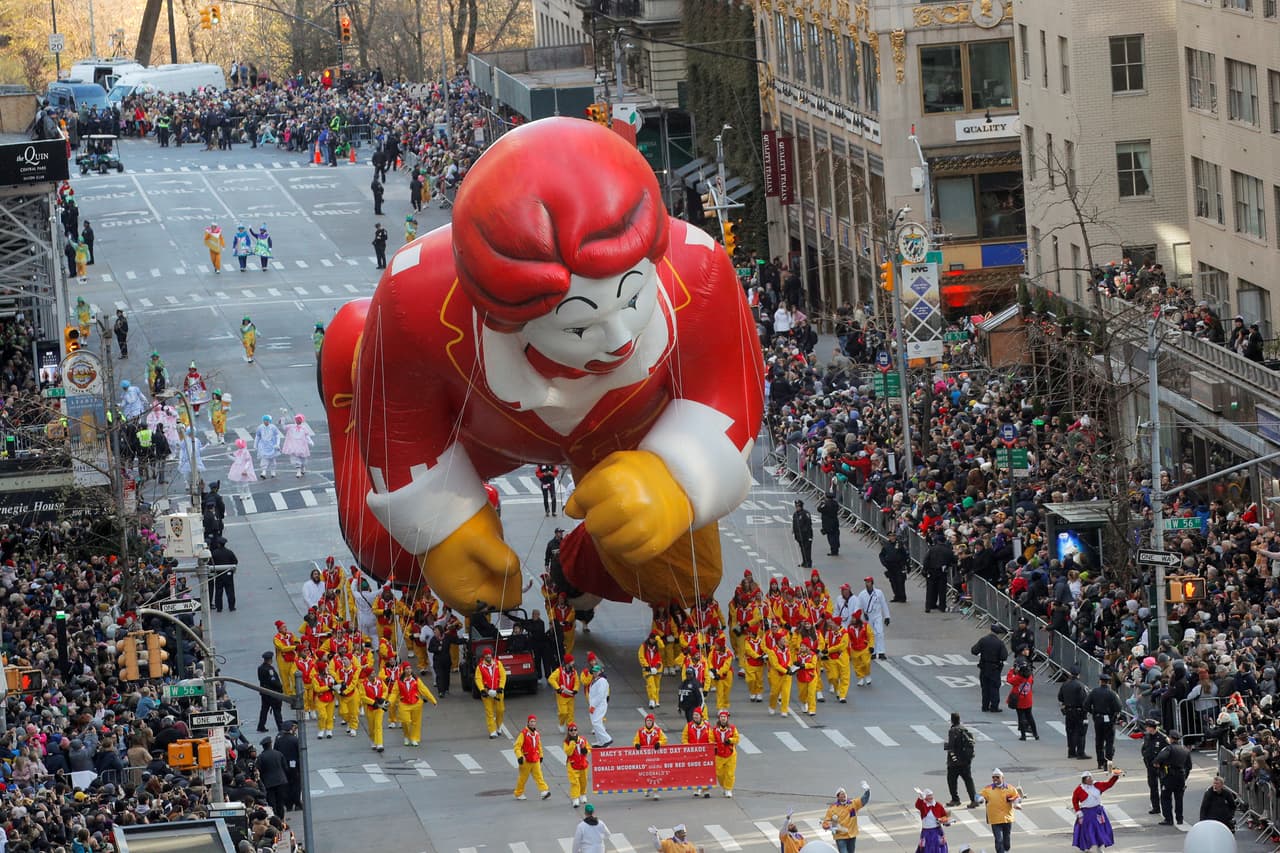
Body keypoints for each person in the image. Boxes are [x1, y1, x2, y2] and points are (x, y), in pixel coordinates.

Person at [1071, 768, 1122, 851]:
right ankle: (1087, 847)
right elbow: (1075, 801)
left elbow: (1109, 784)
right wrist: (1079, 813)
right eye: (1088, 779)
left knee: (1100, 830)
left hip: (1098, 812)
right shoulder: (1079, 789)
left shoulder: (1097, 785)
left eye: (1091, 778)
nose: (1091, 780)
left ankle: (1099, 847)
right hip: (1087, 813)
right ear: (1084, 780)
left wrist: (1115, 776)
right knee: (1087, 831)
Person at [390, 665, 438, 747]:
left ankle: (414, 738)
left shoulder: (416, 680)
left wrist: (433, 700)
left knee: (416, 722)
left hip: (416, 703)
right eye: (407, 669)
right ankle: (406, 736)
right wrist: (389, 702)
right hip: (404, 704)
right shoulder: (399, 682)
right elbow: (394, 693)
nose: (409, 670)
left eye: (410, 668)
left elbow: (424, 690)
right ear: (404, 670)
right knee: (405, 721)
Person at [977, 768, 1021, 853]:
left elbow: (1017, 797)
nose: (995, 779)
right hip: (995, 819)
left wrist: (1017, 803)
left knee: (1006, 840)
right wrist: (980, 798)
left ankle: (1006, 850)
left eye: (997, 777)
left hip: (1007, 818)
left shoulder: (1010, 788)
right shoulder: (988, 789)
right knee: (998, 839)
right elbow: (978, 795)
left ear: (1002, 778)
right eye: (993, 777)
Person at [1085, 672, 1122, 771]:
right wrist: (1113, 713)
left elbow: (1086, 704)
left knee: (1099, 741)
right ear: (1108, 682)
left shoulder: (1094, 692)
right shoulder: (1112, 693)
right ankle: (1108, 763)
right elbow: (1118, 707)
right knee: (1109, 742)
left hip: (1098, 718)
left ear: (1100, 681)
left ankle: (1100, 762)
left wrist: (1093, 712)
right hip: (1109, 719)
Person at [1155, 729, 1191, 826]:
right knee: (1179, 798)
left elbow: (1160, 758)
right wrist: (1185, 777)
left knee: (1165, 797)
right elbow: (1189, 766)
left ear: (1170, 738)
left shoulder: (1169, 749)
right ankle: (1179, 818)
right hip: (1181, 776)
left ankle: (1168, 819)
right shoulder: (1185, 750)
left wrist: (1156, 763)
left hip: (1169, 776)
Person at [822, 782, 872, 853]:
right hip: (840, 836)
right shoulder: (832, 809)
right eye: (842, 794)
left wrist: (868, 791)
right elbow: (826, 821)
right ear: (838, 797)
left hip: (852, 835)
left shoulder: (853, 804)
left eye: (845, 793)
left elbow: (863, 800)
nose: (844, 795)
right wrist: (826, 825)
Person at [513, 714, 552, 800]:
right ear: (528, 722)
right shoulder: (523, 734)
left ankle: (544, 791)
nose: (533, 723)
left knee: (539, 776)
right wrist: (519, 756)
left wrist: (541, 755)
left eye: (534, 721)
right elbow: (517, 746)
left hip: (535, 759)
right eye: (531, 721)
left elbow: (539, 746)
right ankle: (518, 793)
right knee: (523, 778)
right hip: (526, 760)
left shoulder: (537, 734)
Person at [944, 711, 978, 808]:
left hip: (954, 762)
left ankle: (955, 799)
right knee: (968, 780)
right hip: (966, 761)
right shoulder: (964, 729)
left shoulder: (953, 731)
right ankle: (973, 800)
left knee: (951, 780)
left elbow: (951, 746)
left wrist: (947, 746)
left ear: (951, 720)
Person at [972, 623, 1008, 713]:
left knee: (985, 687)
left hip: (984, 667)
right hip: (994, 668)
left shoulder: (983, 640)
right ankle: (994, 706)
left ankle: (985, 706)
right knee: (994, 687)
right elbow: (1004, 656)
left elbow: (974, 650)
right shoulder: (999, 643)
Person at [853, 576, 890, 659]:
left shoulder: (879, 593)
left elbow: (883, 604)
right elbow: (858, 606)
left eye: (868, 582)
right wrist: (856, 616)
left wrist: (887, 616)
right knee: (870, 634)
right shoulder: (862, 594)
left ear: (872, 583)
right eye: (866, 582)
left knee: (879, 632)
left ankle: (881, 651)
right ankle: (872, 651)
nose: (867, 584)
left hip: (877, 615)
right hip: (868, 616)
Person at [1059, 666, 1090, 760]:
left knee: (1070, 731)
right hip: (1079, 711)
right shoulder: (1080, 685)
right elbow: (1084, 700)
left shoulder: (1065, 684)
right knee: (1081, 732)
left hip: (1068, 711)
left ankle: (1071, 751)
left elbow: (1060, 697)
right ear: (1078, 675)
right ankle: (1080, 752)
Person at [475, 646, 507, 738]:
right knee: (489, 712)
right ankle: (492, 730)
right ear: (484, 656)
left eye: (489, 654)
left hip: (498, 692)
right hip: (487, 693)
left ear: (491, 654)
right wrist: (481, 690)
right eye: (486, 654)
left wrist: (501, 687)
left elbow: (503, 676)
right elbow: (478, 679)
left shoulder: (498, 664)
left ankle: (499, 725)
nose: (488, 656)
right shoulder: (480, 667)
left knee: (500, 710)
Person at [681, 707, 713, 798]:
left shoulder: (707, 726)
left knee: (705, 771)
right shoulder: (689, 725)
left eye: (697, 715)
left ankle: (706, 790)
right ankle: (696, 789)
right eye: (694, 715)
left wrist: (710, 748)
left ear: (701, 716)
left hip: (704, 754)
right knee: (694, 772)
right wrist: (687, 746)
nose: (695, 717)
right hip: (693, 753)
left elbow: (711, 739)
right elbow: (684, 737)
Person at [633, 713, 666, 800]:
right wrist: (637, 745)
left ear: (653, 722)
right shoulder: (640, 731)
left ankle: (656, 792)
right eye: (647, 721)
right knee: (645, 773)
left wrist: (659, 743)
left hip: (655, 756)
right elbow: (636, 740)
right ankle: (646, 788)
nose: (648, 722)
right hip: (644, 756)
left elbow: (664, 740)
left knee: (655, 774)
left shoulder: (658, 731)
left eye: (650, 721)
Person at [255, 737, 289, 818]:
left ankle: (275, 818)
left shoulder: (261, 757)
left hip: (268, 783)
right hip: (281, 781)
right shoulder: (279, 754)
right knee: (280, 802)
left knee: (271, 802)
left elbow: (258, 770)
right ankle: (281, 818)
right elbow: (285, 767)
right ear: (271, 744)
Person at [274, 721, 302, 811]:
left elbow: (276, 752)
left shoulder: (278, 739)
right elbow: (300, 754)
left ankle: (288, 804)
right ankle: (297, 802)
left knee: (286, 785)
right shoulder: (295, 739)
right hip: (294, 766)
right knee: (296, 784)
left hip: (283, 766)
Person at [1006, 660, 1038, 740]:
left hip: (1019, 701)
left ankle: (1023, 736)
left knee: (1021, 718)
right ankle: (1035, 734)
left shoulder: (1018, 678)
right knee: (1030, 717)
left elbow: (1009, 680)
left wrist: (1011, 671)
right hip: (1028, 700)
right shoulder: (1030, 677)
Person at [912, 788, 951, 853]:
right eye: (928, 795)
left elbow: (944, 816)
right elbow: (918, 805)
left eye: (931, 795)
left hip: (937, 831)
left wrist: (945, 821)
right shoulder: (923, 805)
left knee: (938, 847)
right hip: (926, 832)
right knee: (926, 847)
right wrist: (921, 797)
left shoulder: (938, 805)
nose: (930, 797)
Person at [548, 653, 579, 732]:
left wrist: (575, 689)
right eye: (572, 661)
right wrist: (558, 688)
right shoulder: (559, 671)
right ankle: (561, 723)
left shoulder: (574, 672)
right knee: (563, 712)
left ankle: (570, 727)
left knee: (571, 713)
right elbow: (551, 679)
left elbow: (577, 682)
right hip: (562, 696)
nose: (573, 663)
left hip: (571, 696)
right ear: (568, 663)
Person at [362, 666, 390, 752]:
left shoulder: (380, 681)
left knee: (378, 725)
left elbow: (386, 690)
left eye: (374, 672)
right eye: (372, 673)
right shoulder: (363, 684)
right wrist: (373, 702)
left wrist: (382, 698)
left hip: (379, 708)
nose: (374, 674)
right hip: (370, 708)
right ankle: (373, 740)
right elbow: (362, 696)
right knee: (371, 726)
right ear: (368, 675)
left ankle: (380, 743)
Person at [711, 709, 739, 797]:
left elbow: (737, 738)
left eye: (724, 717)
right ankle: (724, 786)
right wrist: (714, 747)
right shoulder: (714, 729)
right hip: (718, 755)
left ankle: (728, 789)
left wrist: (730, 740)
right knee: (719, 773)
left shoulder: (732, 728)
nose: (723, 719)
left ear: (727, 718)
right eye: (721, 717)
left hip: (730, 754)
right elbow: (710, 740)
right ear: (719, 718)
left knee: (730, 774)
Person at [1140, 719, 1165, 815]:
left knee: (1163, 788)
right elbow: (1144, 749)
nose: (1146, 728)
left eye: (1148, 727)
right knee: (1153, 787)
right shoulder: (1147, 737)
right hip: (1150, 766)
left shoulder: (1162, 738)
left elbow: (1166, 752)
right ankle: (1156, 807)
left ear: (1152, 728)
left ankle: (1164, 807)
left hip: (1160, 767)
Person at [564, 722, 592, 807]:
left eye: (575, 730)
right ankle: (575, 798)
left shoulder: (583, 739)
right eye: (571, 730)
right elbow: (568, 752)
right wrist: (572, 744)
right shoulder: (567, 742)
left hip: (583, 764)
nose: (573, 731)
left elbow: (589, 748)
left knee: (583, 781)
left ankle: (582, 794)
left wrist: (586, 751)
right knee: (575, 782)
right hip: (572, 765)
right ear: (568, 731)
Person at [257, 651, 285, 731]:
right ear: (270, 659)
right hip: (272, 693)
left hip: (264, 692)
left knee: (264, 710)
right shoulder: (270, 669)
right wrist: (280, 687)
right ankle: (280, 726)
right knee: (276, 710)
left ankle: (261, 726)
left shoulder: (260, 668)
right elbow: (273, 681)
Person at [209, 535, 238, 612]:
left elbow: (210, 563)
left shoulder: (214, 553)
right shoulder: (229, 552)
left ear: (218, 544)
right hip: (228, 574)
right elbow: (235, 561)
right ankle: (231, 607)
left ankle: (219, 607)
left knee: (218, 591)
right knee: (230, 591)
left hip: (219, 574)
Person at [587, 663, 611, 747]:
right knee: (596, 722)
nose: (595, 673)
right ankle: (600, 741)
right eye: (593, 671)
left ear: (600, 671)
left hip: (599, 704)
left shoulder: (602, 681)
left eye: (596, 671)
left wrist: (593, 706)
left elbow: (600, 695)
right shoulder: (596, 680)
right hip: (595, 704)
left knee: (596, 722)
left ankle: (607, 739)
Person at [879, 536, 909, 602]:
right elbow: (881, 555)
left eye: (893, 537)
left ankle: (902, 597)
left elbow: (905, 555)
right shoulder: (886, 545)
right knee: (893, 582)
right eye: (890, 537)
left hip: (899, 566)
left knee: (900, 582)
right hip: (890, 566)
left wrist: (906, 565)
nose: (892, 538)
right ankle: (897, 596)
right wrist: (884, 563)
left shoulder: (899, 544)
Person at [639, 633, 664, 709]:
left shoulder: (658, 645)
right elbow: (641, 656)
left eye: (654, 639)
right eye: (652, 639)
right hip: (648, 669)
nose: (653, 640)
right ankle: (652, 699)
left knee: (657, 686)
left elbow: (662, 646)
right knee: (651, 684)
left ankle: (656, 700)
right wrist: (646, 666)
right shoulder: (644, 646)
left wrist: (658, 639)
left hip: (657, 668)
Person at [818, 491, 841, 556]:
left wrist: (821, 502)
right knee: (836, 535)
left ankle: (833, 550)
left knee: (830, 536)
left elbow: (819, 509)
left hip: (827, 522)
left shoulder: (825, 503)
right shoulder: (835, 503)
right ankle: (836, 549)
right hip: (835, 521)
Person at [792, 500, 814, 568]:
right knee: (802, 549)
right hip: (799, 535)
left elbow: (808, 524)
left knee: (807, 549)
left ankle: (808, 562)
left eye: (798, 506)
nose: (797, 508)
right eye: (796, 506)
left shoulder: (806, 513)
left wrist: (807, 534)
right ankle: (804, 561)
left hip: (806, 535)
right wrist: (794, 531)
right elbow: (794, 524)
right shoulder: (795, 514)